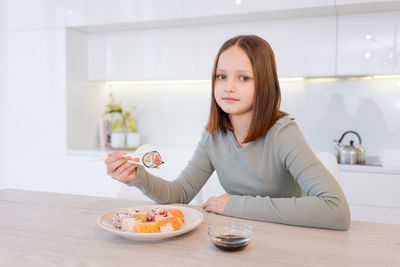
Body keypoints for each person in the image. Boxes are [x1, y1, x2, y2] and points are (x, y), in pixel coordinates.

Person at [105, 35, 351, 231]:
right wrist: (136, 176)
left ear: (264, 84)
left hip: (283, 244)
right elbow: (179, 194)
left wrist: (235, 204)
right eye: (221, 76)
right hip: (237, 236)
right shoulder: (214, 136)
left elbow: (335, 209)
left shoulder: (283, 134)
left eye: (244, 78)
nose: (228, 87)